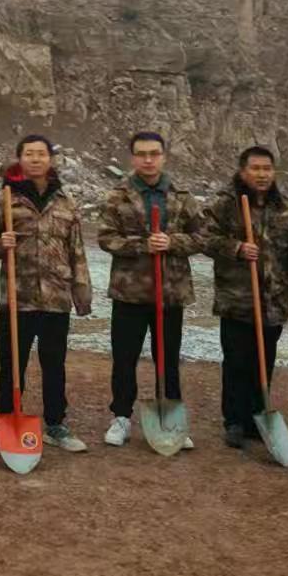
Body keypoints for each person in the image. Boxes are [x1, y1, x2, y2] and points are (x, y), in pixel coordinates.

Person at [0, 135, 92, 453]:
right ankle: (7, 422)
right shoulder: (6, 199)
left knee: (54, 364)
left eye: (41, 154)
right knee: (12, 365)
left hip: (56, 298)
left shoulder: (65, 202)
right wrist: (0, 243)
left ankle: (55, 424)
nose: (36, 159)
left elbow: (77, 250)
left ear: (50, 160)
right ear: (20, 159)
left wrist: (81, 291)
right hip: (18, 298)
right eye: (29, 154)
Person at [97, 132, 205, 448]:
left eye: (154, 153)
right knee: (124, 358)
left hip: (169, 292)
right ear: (133, 158)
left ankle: (171, 417)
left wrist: (172, 242)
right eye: (142, 154)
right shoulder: (117, 196)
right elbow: (106, 238)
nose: (148, 159)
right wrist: (143, 245)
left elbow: (202, 237)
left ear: (164, 156)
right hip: (129, 292)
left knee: (168, 359)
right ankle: (120, 417)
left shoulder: (182, 196)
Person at [202, 146, 288, 448]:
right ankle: (234, 421)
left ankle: (256, 417)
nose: (262, 174)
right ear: (242, 171)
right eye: (255, 168)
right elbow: (205, 238)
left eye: (267, 169)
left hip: (273, 300)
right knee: (236, 361)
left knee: (264, 360)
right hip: (237, 299)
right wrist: (236, 248)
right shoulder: (226, 204)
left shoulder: (285, 208)